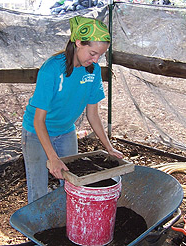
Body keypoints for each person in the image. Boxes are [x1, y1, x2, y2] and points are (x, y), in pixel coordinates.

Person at [21, 15, 123, 203]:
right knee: (39, 189)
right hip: (36, 133)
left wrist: (109, 147)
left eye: (100, 55)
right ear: (78, 43)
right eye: (92, 53)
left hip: (66, 131)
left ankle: (68, 225)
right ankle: (34, 230)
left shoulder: (93, 71)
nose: (95, 59)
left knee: (72, 184)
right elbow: (38, 120)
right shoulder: (51, 69)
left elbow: (93, 115)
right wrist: (52, 157)